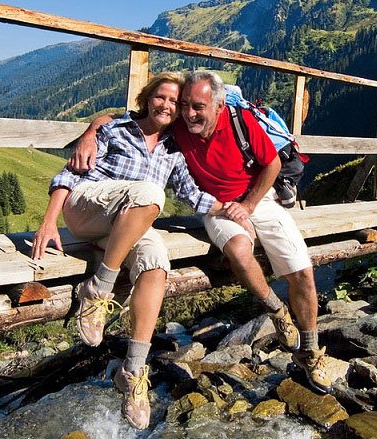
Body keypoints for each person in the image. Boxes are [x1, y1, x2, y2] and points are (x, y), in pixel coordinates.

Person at [72, 71, 333, 394]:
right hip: (217, 206)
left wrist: (249, 206)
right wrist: (90, 130)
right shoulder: (179, 124)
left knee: (303, 272)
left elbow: (273, 164)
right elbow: (124, 117)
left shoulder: (241, 121)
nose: (189, 113)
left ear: (219, 105)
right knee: (239, 250)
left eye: (198, 106)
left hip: (257, 198)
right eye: (185, 106)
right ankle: (277, 312)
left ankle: (310, 353)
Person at [32, 72, 225, 429]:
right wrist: (48, 222)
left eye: (174, 101)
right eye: (160, 97)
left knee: (156, 265)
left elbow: (193, 195)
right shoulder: (116, 129)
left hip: (125, 223)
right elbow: (69, 175)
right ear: (147, 98)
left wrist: (235, 208)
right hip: (87, 207)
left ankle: (132, 371)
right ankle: (99, 288)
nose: (166, 105)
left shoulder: (172, 148)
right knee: (151, 194)